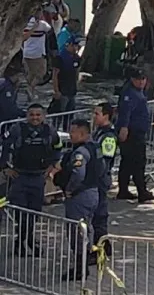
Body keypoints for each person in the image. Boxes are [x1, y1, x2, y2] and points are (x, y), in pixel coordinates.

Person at [3, 104, 63, 255]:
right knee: (21, 212)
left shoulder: (50, 131)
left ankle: (27, 240)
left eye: (38, 115)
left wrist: (52, 166)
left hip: (38, 177)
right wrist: (4, 168)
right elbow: (5, 147)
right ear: (27, 116)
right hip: (20, 177)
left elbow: (58, 147)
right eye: (32, 114)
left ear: (43, 116)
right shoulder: (17, 129)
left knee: (34, 212)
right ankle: (22, 242)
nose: (35, 118)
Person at [52, 119, 102, 281]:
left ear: (82, 133)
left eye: (72, 132)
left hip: (80, 196)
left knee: (77, 231)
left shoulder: (80, 152)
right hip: (93, 192)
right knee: (88, 228)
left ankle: (81, 268)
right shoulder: (95, 148)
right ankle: (86, 261)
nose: (70, 135)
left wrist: (70, 190)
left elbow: (78, 174)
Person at [115, 69, 154, 203]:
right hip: (133, 133)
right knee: (138, 162)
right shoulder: (130, 93)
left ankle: (123, 190)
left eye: (143, 79)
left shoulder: (138, 92)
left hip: (136, 131)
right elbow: (125, 112)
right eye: (139, 79)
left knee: (127, 162)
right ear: (132, 79)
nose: (141, 81)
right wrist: (124, 128)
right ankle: (141, 191)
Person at [90, 103, 118, 261]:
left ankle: (101, 248)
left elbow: (105, 161)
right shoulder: (98, 133)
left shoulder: (108, 137)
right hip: (97, 178)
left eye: (97, 113)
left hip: (100, 179)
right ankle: (103, 246)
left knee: (99, 215)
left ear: (106, 115)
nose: (94, 116)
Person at [50, 36, 82, 124]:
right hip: (62, 90)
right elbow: (55, 75)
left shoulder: (77, 58)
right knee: (59, 114)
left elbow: (76, 73)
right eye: (75, 45)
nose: (77, 48)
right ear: (70, 45)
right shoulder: (60, 58)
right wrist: (56, 91)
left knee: (70, 115)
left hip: (72, 90)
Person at [21, 15, 52, 99]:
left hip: (26, 53)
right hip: (38, 54)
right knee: (41, 73)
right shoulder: (43, 24)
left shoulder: (25, 24)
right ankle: (30, 88)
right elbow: (50, 30)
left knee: (30, 74)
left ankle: (31, 93)